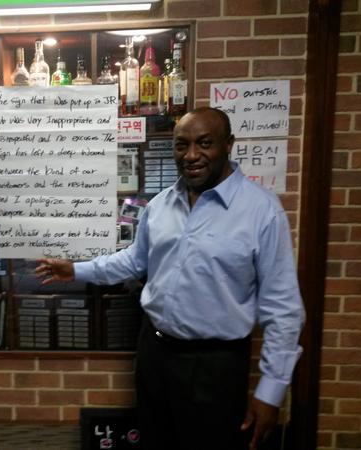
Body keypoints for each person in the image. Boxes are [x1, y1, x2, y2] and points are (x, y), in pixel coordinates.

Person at [35, 107, 305, 450]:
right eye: (182, 145)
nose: (192, 155)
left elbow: (282, 309)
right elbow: (135, 261)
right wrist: (75, 269)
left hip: (216, 366)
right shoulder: (160, 205)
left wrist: (272, 390)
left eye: (204, 143)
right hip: (155, 353)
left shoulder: (262, 211)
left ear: (228, 145)